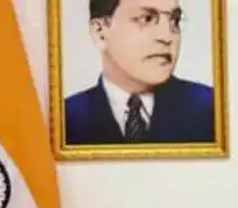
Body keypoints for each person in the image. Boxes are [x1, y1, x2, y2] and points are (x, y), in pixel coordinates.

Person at [65, 0, 214, 145]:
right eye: (146, 19)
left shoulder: (210, 108)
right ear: (100, 32)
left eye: (175, 20)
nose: (167, 36)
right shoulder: (67, 118)